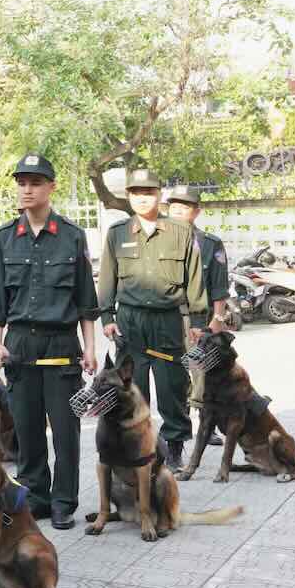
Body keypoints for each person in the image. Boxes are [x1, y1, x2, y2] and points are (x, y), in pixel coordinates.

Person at [0, 156, 99, 529]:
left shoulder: (71, 236)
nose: (27, 189)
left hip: (60, 345)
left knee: (65, 432)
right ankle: (36, 497)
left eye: (35, 182)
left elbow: (85, 299)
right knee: (27, 429)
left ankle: (64, 501)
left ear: (51, 187)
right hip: (19, 346)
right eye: (21, 183)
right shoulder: (5, 237)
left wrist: (90, 348)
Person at [98, 168, 213, 468]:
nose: (142, 198)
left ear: (159, 195)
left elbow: (195, 279)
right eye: (136, 193)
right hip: (130, 322)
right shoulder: (117, 233)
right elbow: (107, 277)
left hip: (167, 321)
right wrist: (107, 316)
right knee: (132, 387)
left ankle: (174, 447)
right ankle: (140, 447)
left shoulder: (181, 232)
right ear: (128, 196)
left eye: (148, 192)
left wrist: (198, 322)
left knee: (171, 386)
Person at [166, 184, 230, 446]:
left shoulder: (209, 244)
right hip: (167, 318)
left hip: (199, 320)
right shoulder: (157, 240)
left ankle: (207, 425)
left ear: (196, 211)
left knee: (202, 374)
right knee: (173, 376)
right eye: (174, 206)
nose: (178, 211)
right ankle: (178, 429)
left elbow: (219, 286)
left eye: (185, 207)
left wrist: (218, 319)